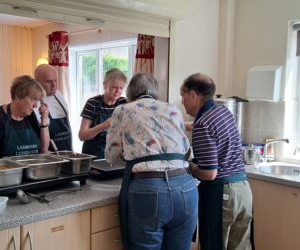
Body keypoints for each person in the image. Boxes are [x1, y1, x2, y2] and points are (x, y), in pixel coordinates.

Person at [106, 73, 198, 250]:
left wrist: (129, 153)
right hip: (186, 187)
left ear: (130, 93)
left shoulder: (123, 110)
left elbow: (111, 154)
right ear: (155, 93)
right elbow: (186, 149)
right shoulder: (173, 109)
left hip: (149, 189)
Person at [180, 73, 253, 250]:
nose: (182, 102)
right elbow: (203, 128)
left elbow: (209, 173)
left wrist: (187, 165)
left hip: (222, 195)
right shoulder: (223, 112)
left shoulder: (203, 124)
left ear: (194, 96)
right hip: (243, 191)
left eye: (183, 97)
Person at [0, 75, 50, 161]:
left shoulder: (31, 117)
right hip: (3, 174)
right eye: (33, 99)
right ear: (17, 96)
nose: (35, 105)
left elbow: (44, 150)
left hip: (30, 173)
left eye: (37, 100)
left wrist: (44, 120)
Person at [79, 68, 127, 158]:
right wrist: (103, 125)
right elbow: (82, 135)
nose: (118, 91)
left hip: (115, 155)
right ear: (104, 85)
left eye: (121, 88)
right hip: (93, 155)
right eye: (114, 87)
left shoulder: (123, 103)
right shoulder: (92, 103)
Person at [34, 64, 73, 151]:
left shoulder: (58, 94)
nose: (54, 85)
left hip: (68, 151)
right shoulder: (34, 102)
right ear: (37, 82)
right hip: (50, 156)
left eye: (55, 81)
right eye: (49, 81)